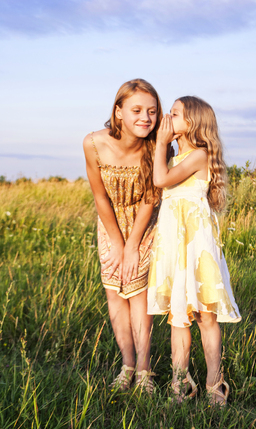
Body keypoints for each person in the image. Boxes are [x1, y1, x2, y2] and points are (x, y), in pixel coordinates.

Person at [147, 96, 241, 404]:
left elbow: (160, 180)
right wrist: (164, 148)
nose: (167, 119)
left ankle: (215, 383)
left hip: (197, 247)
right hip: (174, 246)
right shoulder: (176, 156)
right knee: (178, 317)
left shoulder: (200, 155)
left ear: (192, 123)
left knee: (205, 315)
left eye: (173, 115)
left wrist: (161, 143)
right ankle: (180, 383)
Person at [83, 79, 162, 393]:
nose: (145, 117)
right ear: (118, 112)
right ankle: (126, 365)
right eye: (137, 110)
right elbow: (100, 196)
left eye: (152, 111)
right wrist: (116, 242)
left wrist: (132, 246)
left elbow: (151, 198)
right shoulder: (93, 143)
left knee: (138, 294)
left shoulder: (157, 144)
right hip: (111, 222)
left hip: (143, 224)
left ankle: (144, 371)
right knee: (115, 292)